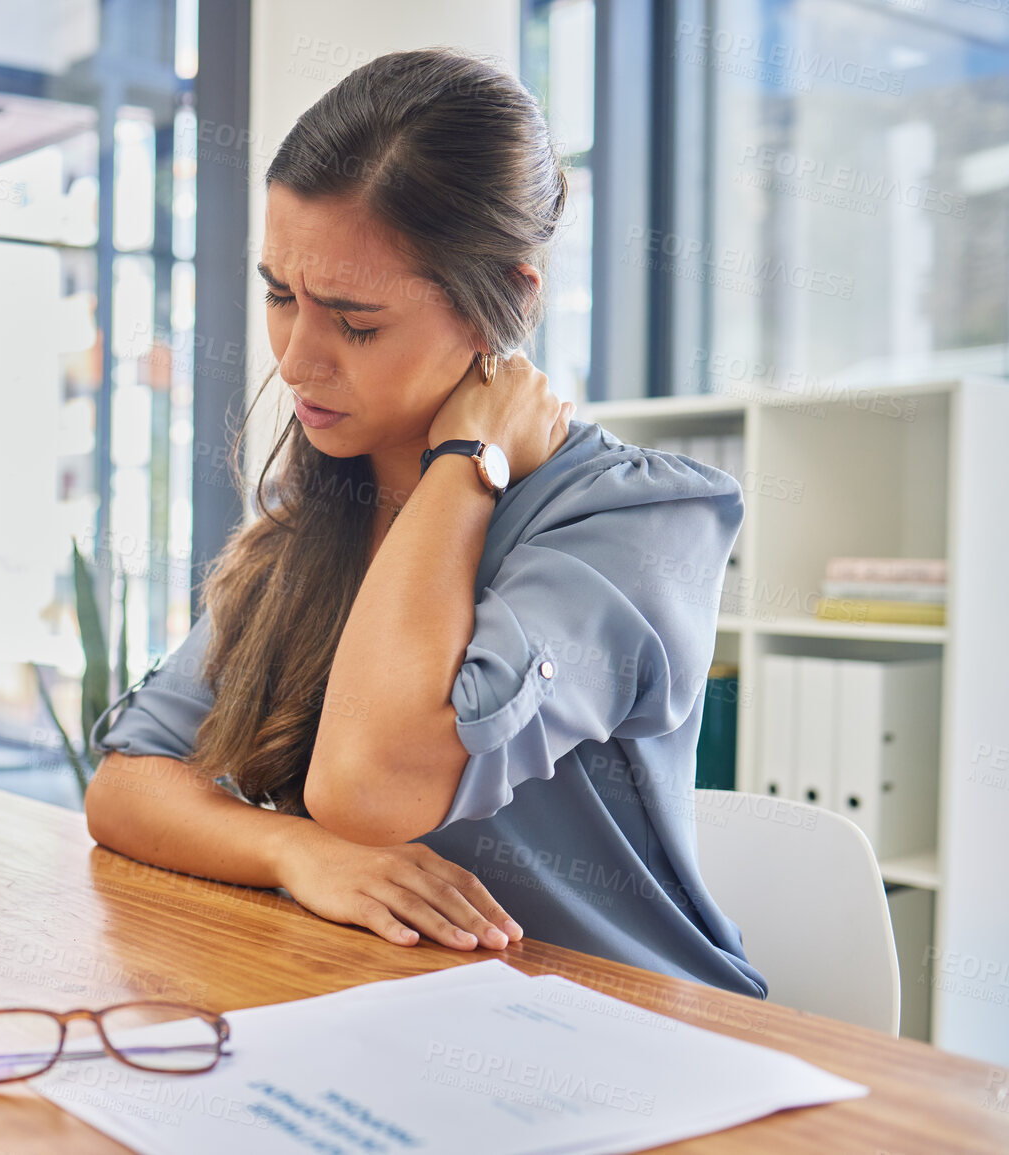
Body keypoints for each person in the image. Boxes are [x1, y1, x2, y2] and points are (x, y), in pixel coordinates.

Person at [84, 48, 765, 997]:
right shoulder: (328, 500)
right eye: (280, 295)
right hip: (395, 1007)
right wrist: (295, 854)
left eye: (355, 323)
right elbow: (128, 782)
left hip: (622, 1025)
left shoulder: (640, 518)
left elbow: (366, 791)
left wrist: (465, 465)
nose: (295, 360)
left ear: (509, 303)